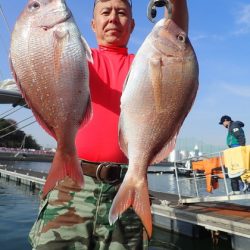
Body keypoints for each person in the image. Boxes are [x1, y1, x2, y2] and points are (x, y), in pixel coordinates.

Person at [29, 1, 189, 249]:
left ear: (133, 25)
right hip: (73, 183)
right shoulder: (77, 58)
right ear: (92, 24)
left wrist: (176, 3)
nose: (113, 18)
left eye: (122, 12)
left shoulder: (146, 63)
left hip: (126, 183)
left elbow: (177, 35)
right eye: (105, 12)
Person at [219, 115, 247, 193]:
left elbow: (240, 137)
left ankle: (241, 186)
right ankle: (236, 189)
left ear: (226, 120)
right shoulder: (231, 126)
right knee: (233, 170)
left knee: (237, 169)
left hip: (237, 149)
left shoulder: (234, 125)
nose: (223, 125)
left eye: (223, 123)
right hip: (233, 150)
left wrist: (242, 149)